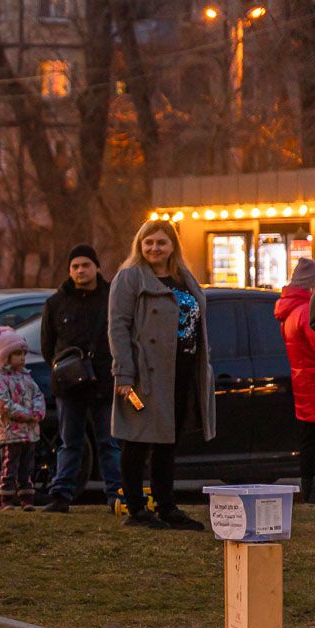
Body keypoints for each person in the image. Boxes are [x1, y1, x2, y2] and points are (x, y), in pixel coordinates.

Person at [108, 219, 214, 531]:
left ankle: (167, 506)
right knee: (137, 439)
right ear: (140, 245)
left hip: (182, 369)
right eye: (148, 242)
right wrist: (124, 373)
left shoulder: (184, 278)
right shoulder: (129, 278)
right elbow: (118, 327)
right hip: (145, 373)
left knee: (169, 440)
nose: (155, 248)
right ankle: (137, 509)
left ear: (172, 247)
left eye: (161, 243)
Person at [40, 244, 123, 513]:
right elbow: (47, 346)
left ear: (97, 267)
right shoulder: (56, 303)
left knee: (108, 443)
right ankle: (61, 496)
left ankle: (118, 497)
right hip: (69, 386)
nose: (80, 271)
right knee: (69, 442)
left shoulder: (113, 299)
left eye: (85, 265)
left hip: (105, 382)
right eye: (75, 266)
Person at [274, 259, 315, 503]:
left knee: (309, 441)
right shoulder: (306, 311)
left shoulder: (289, 311)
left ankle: (308, 489)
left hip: (305, 385)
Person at [0, 326, 46, 510]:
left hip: (28, 432)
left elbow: (38, 395)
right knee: (9, 466)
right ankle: (7, 498)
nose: (22, 358)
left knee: (27, 467)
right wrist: (26, 414)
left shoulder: (26, 377)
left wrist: (37, 411)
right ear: (6, 356)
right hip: (10, 432)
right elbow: (2, 403)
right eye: (17, 354)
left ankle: (27, 498)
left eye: (23, 353)